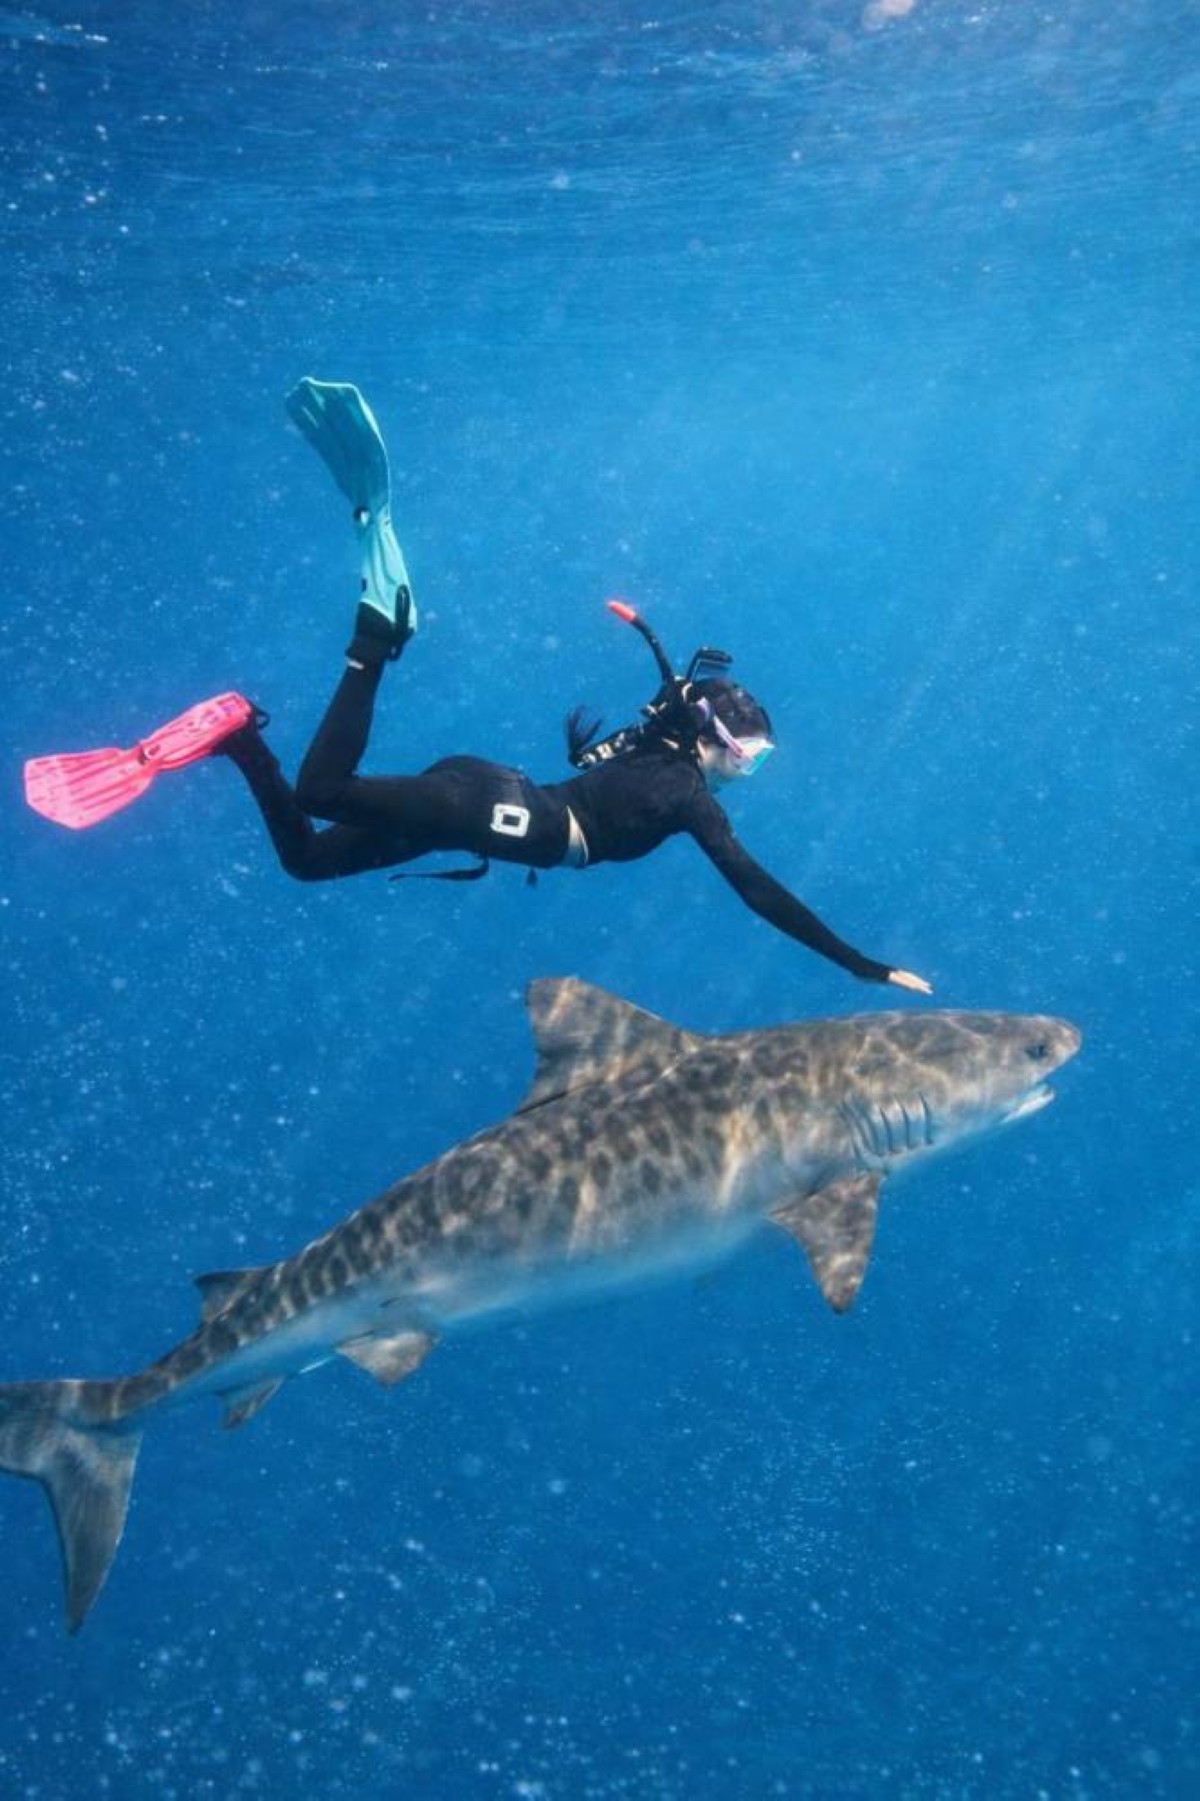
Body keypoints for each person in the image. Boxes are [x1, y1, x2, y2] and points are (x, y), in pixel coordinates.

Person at [26, 379, 932, 994]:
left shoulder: (659, 748)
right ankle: (373, 640)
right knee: (323, 792)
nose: (746, 774)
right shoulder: (686, 792)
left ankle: (237, 736)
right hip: (499, 814)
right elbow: (758, 890)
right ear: (713, 743)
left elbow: (603, 772)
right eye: (749, 758)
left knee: (306, 859)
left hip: (491, 797)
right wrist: (861, 965)